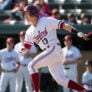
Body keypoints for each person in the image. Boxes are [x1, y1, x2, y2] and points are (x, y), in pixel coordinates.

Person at [22, 5, 89, 92]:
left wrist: (77, 32)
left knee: (31, 66)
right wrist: (22, 51)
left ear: (33, 13)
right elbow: (26, 48)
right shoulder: (29, 32)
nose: (25, 16)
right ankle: (83, 90)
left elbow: (64, 25)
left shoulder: (46, 20)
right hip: (50, 55)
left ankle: (36, 91)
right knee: (61, 80)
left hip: (53, 49)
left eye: (26, 13)